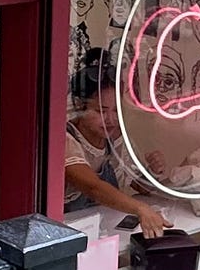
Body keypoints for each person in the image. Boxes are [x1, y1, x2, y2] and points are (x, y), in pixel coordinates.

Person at [63, 97, 168, 236]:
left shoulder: (114, 139)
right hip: (68, 231)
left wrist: (153, 172)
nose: (111, 120)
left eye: (116, 111)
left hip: (104, 229)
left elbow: (138, 185)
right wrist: (141, 209)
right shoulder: (66, 140)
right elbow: (93, 188)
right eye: (101, 111)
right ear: (80, 107)